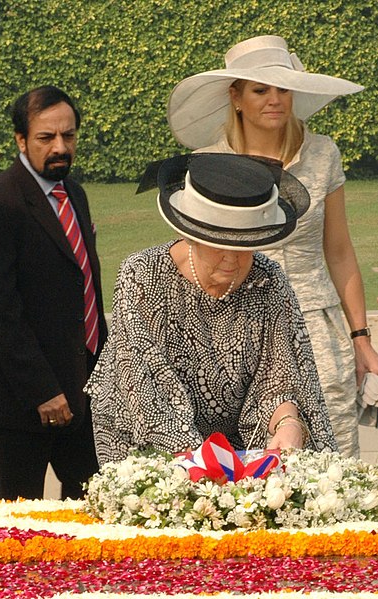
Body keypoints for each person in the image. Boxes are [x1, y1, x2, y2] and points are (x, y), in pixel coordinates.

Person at [166, 35, 375, 458]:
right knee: (250, 463)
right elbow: (195, 259)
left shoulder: (323, 154)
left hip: (318, 326)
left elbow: (338, 250)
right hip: (236, 327)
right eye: (261, 89)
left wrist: (360, 337)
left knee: (333, 459)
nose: (275, 100)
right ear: (236, 97)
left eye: (283, 88)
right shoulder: (209, 162)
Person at [86, 153, 338, 465]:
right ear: (191, 236)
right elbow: (147, 386)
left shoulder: (269, 280)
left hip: (238, 450)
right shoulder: (142, 274)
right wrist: (209, 465)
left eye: (244, 247)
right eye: (219, 245)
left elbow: (280, 377)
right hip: (151, 443)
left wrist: (287, 425)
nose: (232, 259)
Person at [0, 85, 108, 500]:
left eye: (69, 135)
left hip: (85, 394)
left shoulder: (73, 194)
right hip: (23, 403)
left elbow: (83, 288)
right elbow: (0, 312)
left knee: (92, 518)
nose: (60, 147)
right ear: (21, 140)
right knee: (19, 525)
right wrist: (43, 391)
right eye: (47, 138)